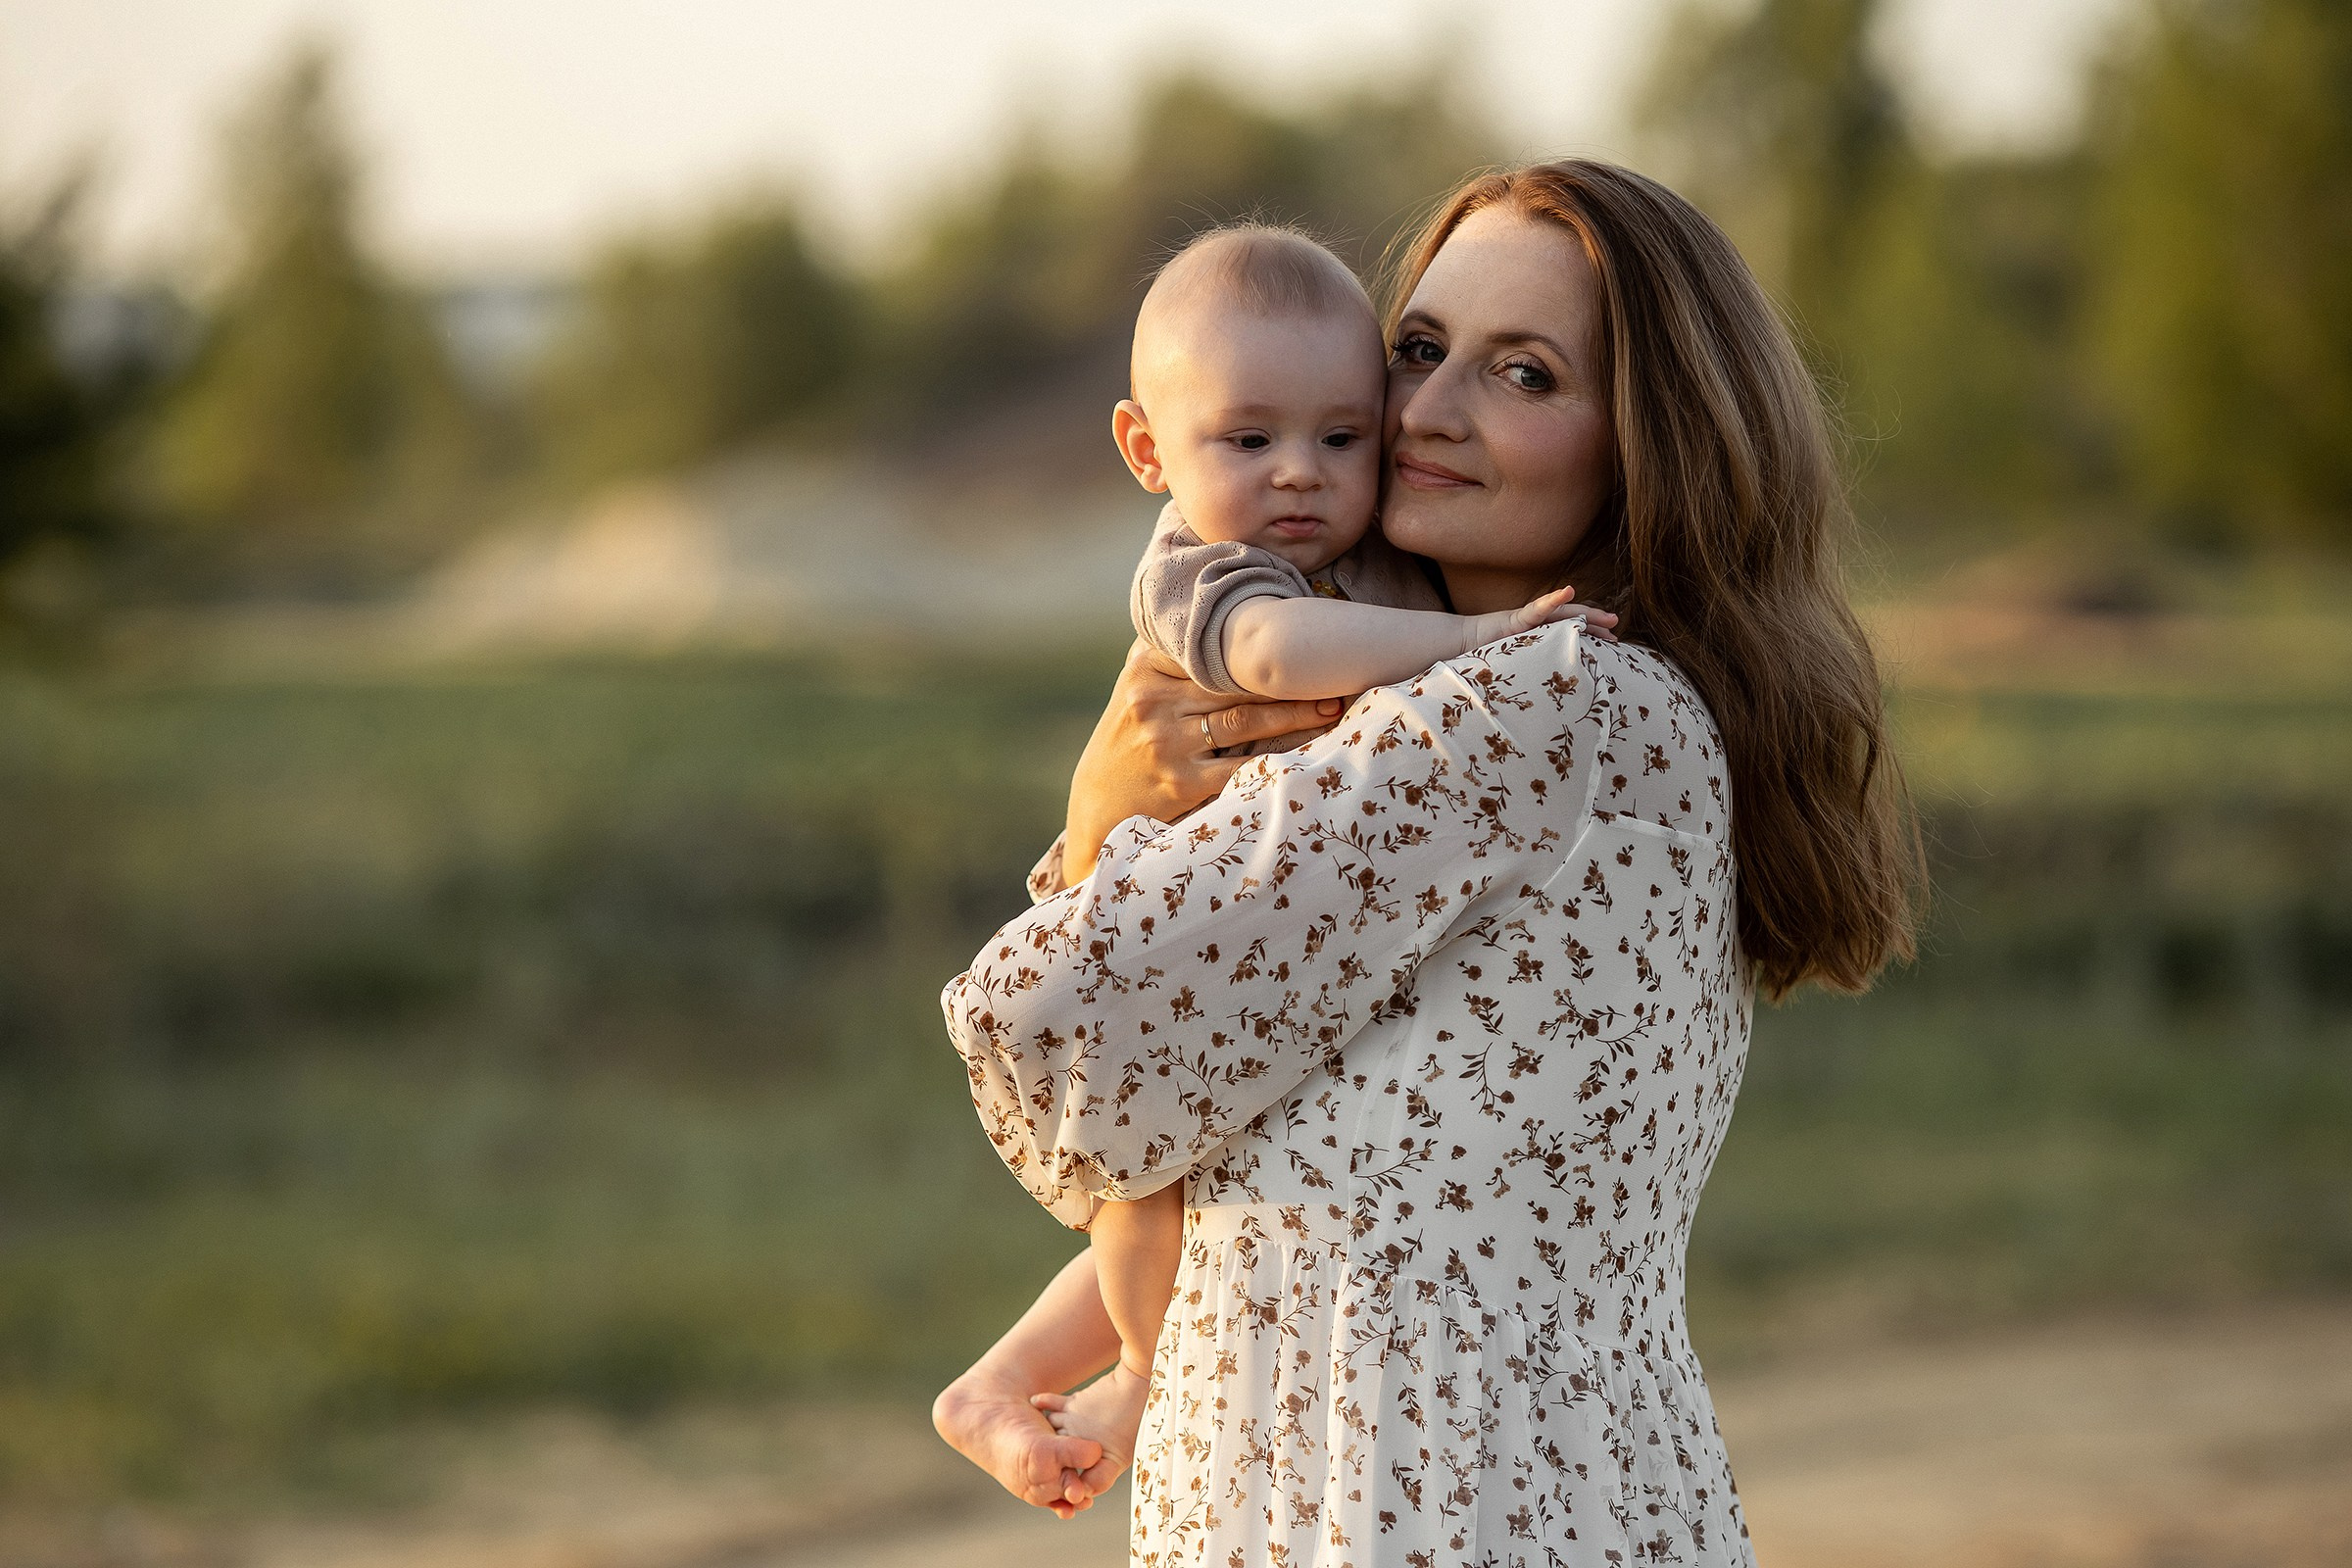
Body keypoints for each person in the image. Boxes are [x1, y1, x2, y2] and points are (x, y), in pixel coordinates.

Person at [936, 161, 1922, 1566]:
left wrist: (1101, 814)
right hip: (1506, 1484)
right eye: (1418, 351)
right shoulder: (1613, 705)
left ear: (1652, 441)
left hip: (1409, 1496)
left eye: (1524, 375)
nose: (1431, 413)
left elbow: (1045, 1029)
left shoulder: (1539, 704)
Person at [1024, 220, 1614, 1474]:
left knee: (1199, 1182)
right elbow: (1279, 663)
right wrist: (1485, 642)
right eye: (1250, 441)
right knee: (1143, 1190)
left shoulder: (1373, 554)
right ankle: (1136, 1370)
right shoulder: (1207, 568)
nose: (1300, 472)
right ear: (1149, 450)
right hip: (1143, 889)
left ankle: (1010, 1376)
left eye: (1339, 436)